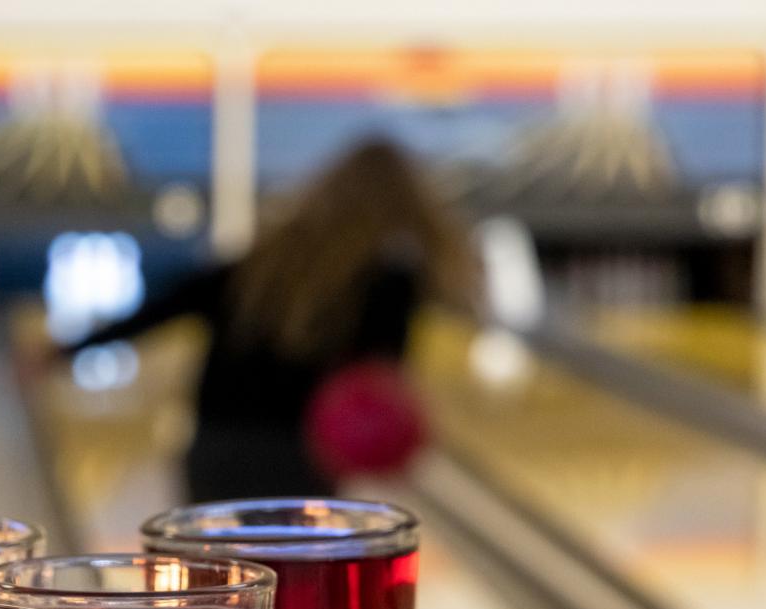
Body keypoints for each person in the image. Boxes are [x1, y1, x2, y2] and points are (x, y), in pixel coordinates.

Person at [52, 138, 477, 501]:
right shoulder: (388, 280)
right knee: (290, 585)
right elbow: (383, 375)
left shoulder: (263, 262)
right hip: (302, 454)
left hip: (215, 445)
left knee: (221, 589)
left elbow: (161, 309)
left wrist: (61, 351)